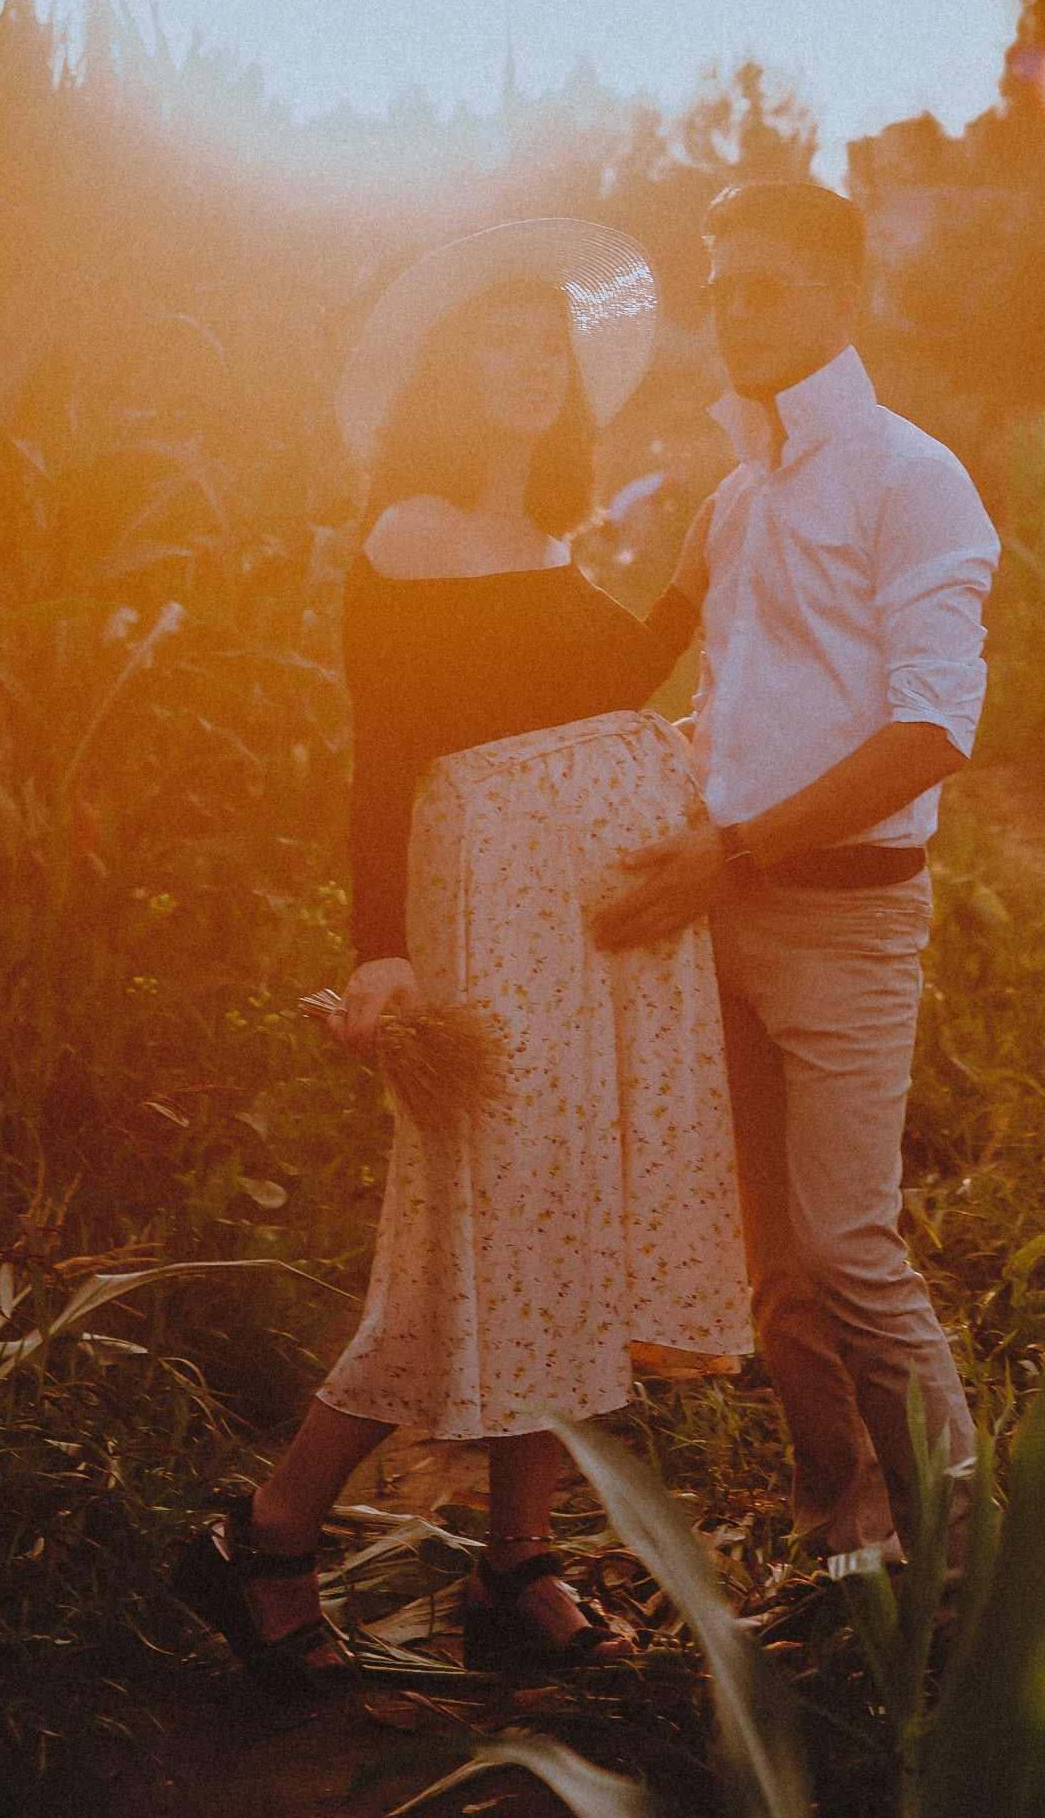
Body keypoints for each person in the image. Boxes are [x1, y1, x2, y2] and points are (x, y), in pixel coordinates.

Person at [173, 217, 751, 1689]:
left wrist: (688, 572)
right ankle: (273, 1528)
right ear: (449, 367)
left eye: (546, 344)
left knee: (563, 1206)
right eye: (498, 341)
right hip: (489, 913)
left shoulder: (542, 538)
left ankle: (518, 1558)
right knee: (483, 1219)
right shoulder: (412, 528)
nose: (528, 365)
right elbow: (382, 765)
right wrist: (378, 954)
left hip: (585, 923)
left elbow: (608, 681)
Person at [593, 177, 996, 1569]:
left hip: (844, 925)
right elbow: (658, 681)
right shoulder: (735, 496)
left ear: (845, 297)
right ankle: (847, 1538)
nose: (734, 315)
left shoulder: (910, 477)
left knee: (848, 1254)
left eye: (765, 286)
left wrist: (741, 848)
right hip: (726, 917)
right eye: (719, 291)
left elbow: (937, 729)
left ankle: (962, 1566)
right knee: (776, 1280)